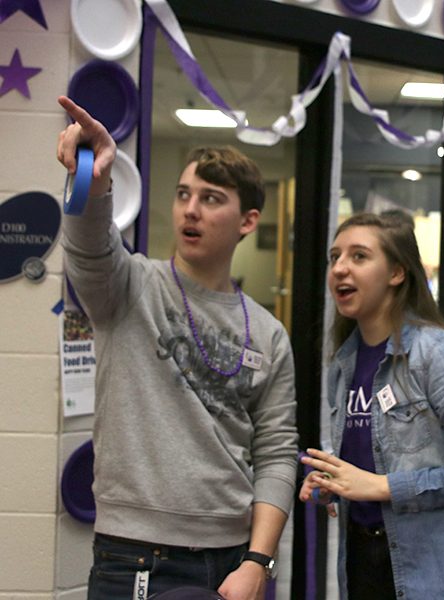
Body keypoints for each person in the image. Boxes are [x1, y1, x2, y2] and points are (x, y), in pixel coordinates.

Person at [56, 96, 298, 600]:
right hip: (136, 554)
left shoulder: (270, 333)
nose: (191, 208)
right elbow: (88, 247)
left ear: (247, 221)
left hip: (231, 558)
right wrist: (92, 180)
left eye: (211, 198)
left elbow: (276, 452)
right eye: (184, 194)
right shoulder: (129, 287)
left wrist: (258, 560)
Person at [298, 213, 444, 599]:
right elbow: (374, 460)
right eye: (334, 256)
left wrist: (381, 486)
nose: (340, 268)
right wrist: (335, 483)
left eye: (359, 256)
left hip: (436, 571)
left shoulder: (435, 354)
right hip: (364, 560)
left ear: (396, 273)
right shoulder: (342, 362)